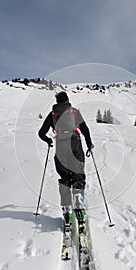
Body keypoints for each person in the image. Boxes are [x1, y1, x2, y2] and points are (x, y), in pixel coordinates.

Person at [38, 91, 94, 222]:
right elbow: (85, 129)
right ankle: (78, 198)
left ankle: (66, 209)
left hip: (61, 146)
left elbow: (41, 133)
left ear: (57, 102)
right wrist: (89, 144)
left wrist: (48, 141)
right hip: (75, 144)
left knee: (64, 177)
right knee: (78, 173)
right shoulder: (74, 112)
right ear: (67, 100)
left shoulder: (53, 114)